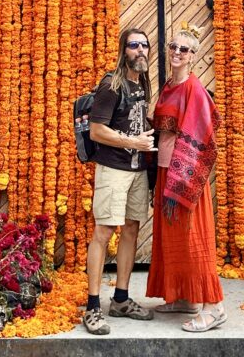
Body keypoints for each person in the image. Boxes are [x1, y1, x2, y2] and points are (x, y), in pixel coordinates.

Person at [146, 27, 226, 332]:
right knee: (172, 238)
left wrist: (182, 172)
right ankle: (184, 297)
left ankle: (214, 307)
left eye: (185, 49)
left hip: (185, 173)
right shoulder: (168, 86)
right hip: (166, 169)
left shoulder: (194, 88)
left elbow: (204, 130)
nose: (178, 53)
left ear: (193, 56)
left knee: (194, 240)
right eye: (174, 48)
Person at [82, 26, 157, 335]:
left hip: (138, 170)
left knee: (131, 230)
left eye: (144, 45)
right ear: (123, 51)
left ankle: (122, 299)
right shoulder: (111, 85)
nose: (139, 50)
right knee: (102, 232)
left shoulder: (143, 84)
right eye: (133, 45)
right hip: (113, 169)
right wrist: (132, 141)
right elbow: (97, 131)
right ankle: (92, 307)